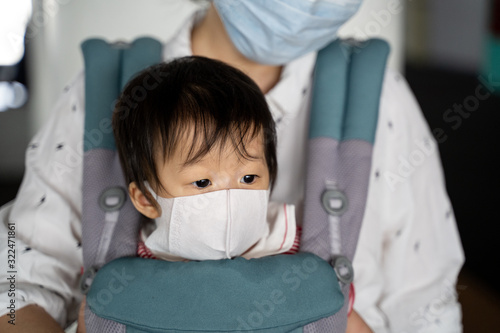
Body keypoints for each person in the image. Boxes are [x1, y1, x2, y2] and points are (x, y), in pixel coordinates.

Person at [0, 1, 464, 332]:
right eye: (202, 180)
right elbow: (13, 283)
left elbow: (428, 306)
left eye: (248, 177)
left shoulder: (373, 97)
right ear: (142, 195)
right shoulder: (107, 94)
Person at [114, 56, 297, 262]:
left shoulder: (292, 246)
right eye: (202, 183)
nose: (230, 199)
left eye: (248, 178)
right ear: (146, 199)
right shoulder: (127, 264)